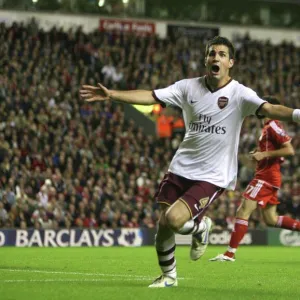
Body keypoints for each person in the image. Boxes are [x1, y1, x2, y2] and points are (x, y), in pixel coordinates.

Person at [80, 36, 300, 288]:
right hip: (181, 166)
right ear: (206, 60)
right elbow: (151, 96)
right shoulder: (187, 87)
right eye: (211, 54)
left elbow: (271, 109)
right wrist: (112, 95)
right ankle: (171, 273)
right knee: (164, 224)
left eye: (221, 54)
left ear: (230, 62)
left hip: (213, 174)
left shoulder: (240, 94)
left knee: (173, 220)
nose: (215, 57)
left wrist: (297, 114)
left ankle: (196, 231)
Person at [210, 96, 300, 262]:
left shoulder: (273, 124)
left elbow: (289, 150)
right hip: (270, 176)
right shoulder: (267, 127)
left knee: (243, 211)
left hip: (265, 177)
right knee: (270, 219)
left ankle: (229, 253)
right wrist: (259, 154)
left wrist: (264, 154)